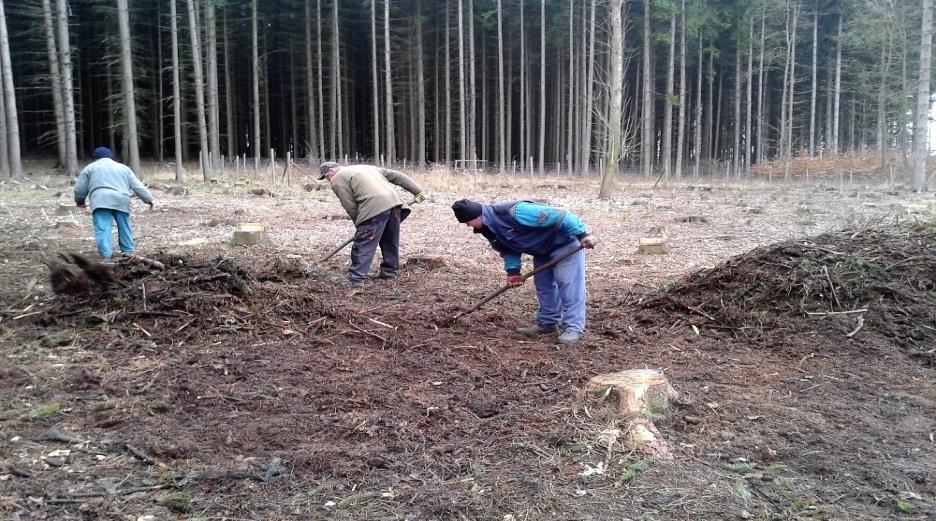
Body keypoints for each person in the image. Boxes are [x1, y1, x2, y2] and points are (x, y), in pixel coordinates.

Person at [451, 199, 597, 345]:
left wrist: (583, 235)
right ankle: (548, 324)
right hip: (542, 251)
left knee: (568, 284)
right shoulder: (488, 228)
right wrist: (513, 272)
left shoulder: (515, 212)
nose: (468, 226)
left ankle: (573, 328)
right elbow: (507, 249)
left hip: (564, 244)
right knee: (543, 286)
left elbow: (561, 215)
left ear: (478, 217)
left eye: (468, 222)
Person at [319, 162, 425, 295]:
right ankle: (389, 273)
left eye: (326, 177)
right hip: (395, 204)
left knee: (363, 244)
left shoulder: (337, 179)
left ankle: (355, 280)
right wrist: (418, 191)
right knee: (389, 240)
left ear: (331, 171)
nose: (327, 180)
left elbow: (349, 205)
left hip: (374, 207)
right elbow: (397, 176)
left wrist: (361, 227)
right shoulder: (367, 168)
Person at [74, 147, 156, 259]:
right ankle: (128, 252)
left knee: (103, 228)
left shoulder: (90, 168)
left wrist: (80, 201)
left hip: (100, 201)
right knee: (124, 227)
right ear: (111, 156)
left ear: (95, 158)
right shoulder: (124, 168)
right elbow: (137, 185)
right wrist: (148, 199)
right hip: (121, 200)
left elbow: (80, 188)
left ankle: (106, 256)